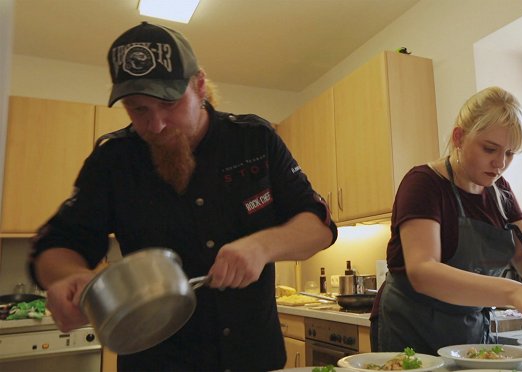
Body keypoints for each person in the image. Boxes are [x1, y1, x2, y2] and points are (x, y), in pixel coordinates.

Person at [29, 22, 337, 371]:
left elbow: (318, 225)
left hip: (253, 358)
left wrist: (262, 245)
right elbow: (57, 244)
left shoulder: (255, 140)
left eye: (169, 103)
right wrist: (67, 276)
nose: (156, 125)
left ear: (200, 85)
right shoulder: (112, 161)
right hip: (156, 360)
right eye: (138, 109)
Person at [370, 86, 522, 355]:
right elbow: (423, 271)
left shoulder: (499, 190)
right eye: (490, 149)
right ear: (459, 137)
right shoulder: (423, 183)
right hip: (409, 329)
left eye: (510, 153)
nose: (500, 163)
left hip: (468, 331)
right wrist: (513, 291)